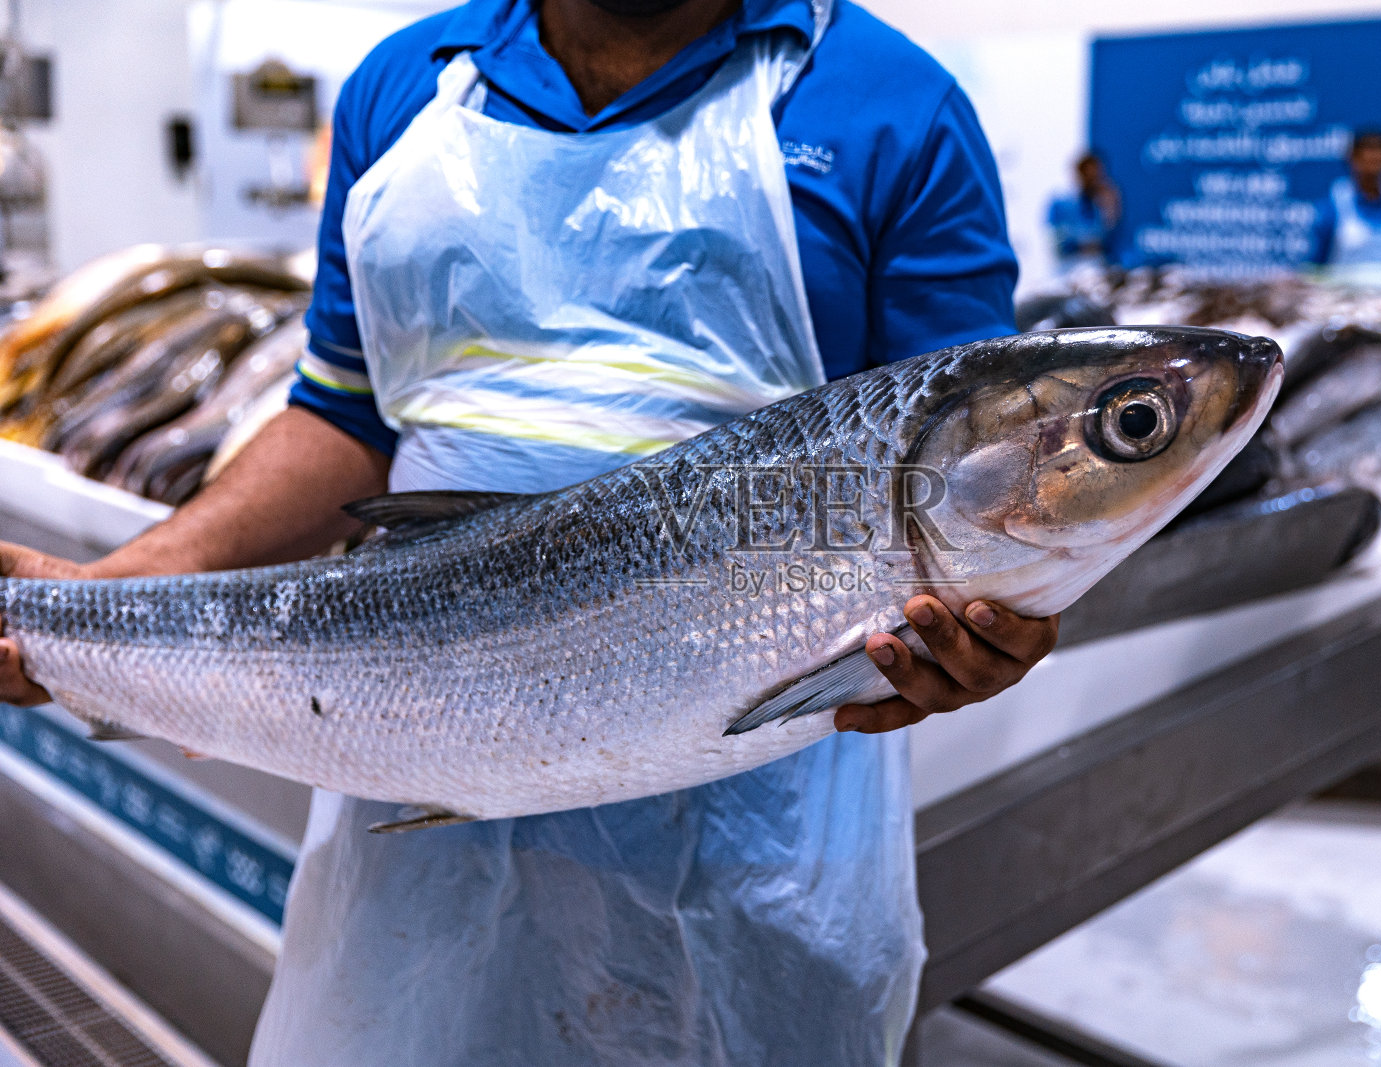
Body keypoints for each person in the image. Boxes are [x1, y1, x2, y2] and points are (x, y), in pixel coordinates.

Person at [0, 0, 1061, 1063]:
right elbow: (345, 415)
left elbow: (955, 464)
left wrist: (973, 635)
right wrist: (89, 598)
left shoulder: (893, 105)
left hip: (750, 804)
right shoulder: (405, 84)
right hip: (418, 741)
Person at [1310, 129, 1381, 287]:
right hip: (1340, 305)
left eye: (1380, 154)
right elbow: (1317, 265)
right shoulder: (1334, 204)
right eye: (1368, 154)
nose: (1374, 160)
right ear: (1353, 159)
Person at [1046, 151, 1122, 269]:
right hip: (1068, 270)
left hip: (1099, 268)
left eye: (1097, 175)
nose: (1093, 180)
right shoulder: (1060, 204)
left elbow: (1110, 242)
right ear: (1078, 174)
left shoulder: (1101, 204)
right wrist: (1083, 246)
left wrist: (1111, 208)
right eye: (1088, 175)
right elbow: (1058, 246)